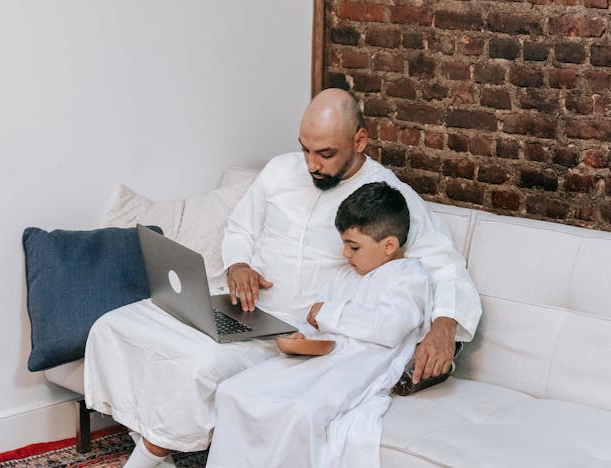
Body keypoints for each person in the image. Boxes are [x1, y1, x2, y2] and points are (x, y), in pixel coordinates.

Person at [83, 89, 481, 467]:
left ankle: (150, 454)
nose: (311, 164)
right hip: (237, 304)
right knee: (116, 326)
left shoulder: (388, 195)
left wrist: (444, 324)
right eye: (305, 149)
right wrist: (239, 265)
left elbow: (443, 264)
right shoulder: (279, 170)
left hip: (290, 331)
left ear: (360, 140)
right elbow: (240, 229)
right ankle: (156, 442)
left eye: (325, 154)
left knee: (197, 365)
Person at [207, 181, 432, 468]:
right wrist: (303, 334)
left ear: (389, 245)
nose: (345, 254)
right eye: (344, 245)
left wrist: (327, 314)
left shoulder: (409, 277)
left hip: (359, 366)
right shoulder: (346, 275)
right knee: (234, 390)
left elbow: (390, 328)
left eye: (353, 247)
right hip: (318, 358)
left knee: (301, 411)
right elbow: (315, 319)